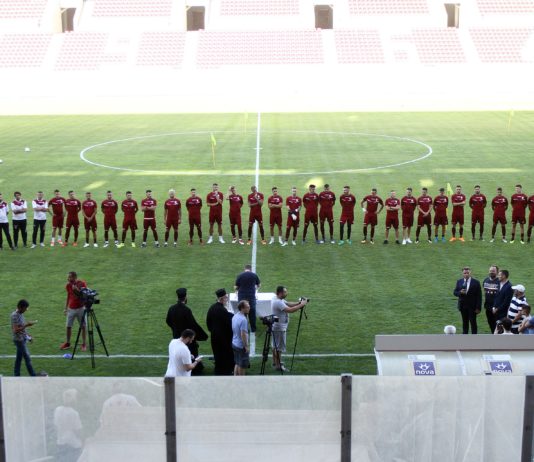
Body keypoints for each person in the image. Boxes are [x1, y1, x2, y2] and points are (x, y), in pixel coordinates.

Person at [165, 288, 208, 375]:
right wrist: (203, 336)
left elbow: (168, 321)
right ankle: (195, 369)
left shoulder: (171, 308)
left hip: (177, 336)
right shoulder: (186, 310)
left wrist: (175, 329)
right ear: (185, 297)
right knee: (192, 352)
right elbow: (193, 324)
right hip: (187, 337)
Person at [271, 286, 308, 372]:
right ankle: (278, 366)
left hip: (277, 327)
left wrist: (299, 303)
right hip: (280, 328)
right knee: (279, 348)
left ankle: (275, 362)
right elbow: (290, 310)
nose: (286, 293)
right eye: (285, 292)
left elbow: (288, 304)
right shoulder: (278, 302)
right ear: (280, 293)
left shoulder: (277, 299)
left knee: (275, 346)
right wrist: (301, 305)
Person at [206, 289, 234, 375]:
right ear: (222, 298)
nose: (227, 299)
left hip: (214, 336)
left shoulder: (212, 308)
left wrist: (212, 331)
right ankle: (225, 370)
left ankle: (218, 369)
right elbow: (229, 325)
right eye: (226, 298)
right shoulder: (223, 310)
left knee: (217, 353)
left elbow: (208, 322)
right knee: (225, 354)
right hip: (224, 337)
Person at [53, 389, 83, 462]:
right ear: (74, 400)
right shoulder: (74, 413)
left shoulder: (57, 410)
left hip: (61, 444)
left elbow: (55, 426)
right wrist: (83, 441)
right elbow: (78, 431)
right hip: (73, 445)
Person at [61, 271, 87, 351]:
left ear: (75, 277)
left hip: (81, 308)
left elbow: (84, 295)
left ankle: (84, 344)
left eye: (70, 277)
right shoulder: (68, 285)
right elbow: (68, 296)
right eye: (68, 277)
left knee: (83, 326)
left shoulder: (82, 283)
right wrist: (66, 308)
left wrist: (77, 290)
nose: (68, 279)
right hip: (71, 309)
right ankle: (68, 343)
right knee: (68, 326)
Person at [453, 267, 482, 334]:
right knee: (464, 322)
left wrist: (478, 307)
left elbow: (479, 296)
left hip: (472, 307)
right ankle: (465, 336)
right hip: (463, 306)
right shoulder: (459, 281)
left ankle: (474, 336)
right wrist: (460, 292)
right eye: (464, 273)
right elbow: (455, 292)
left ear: (470, 273)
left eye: (467, 273)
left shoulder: (476, 282)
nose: (466, 274)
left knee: (473, 322)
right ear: (462, 273)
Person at [11, 299, 36, 376]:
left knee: (19, 358)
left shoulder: (20, 313)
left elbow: (21, 327)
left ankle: (16, 375)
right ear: (20, 307)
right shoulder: (14, 316)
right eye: (25, 308)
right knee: (27, 358)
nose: (26, 310)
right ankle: (33, 376)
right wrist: (27, 325)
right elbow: (15, 330)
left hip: (22, 339)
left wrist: (28, 336)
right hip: (19, 340)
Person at [235, 264, 261, 334]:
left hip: (242, 296)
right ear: (251, 269)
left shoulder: (240, 275)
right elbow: (259, 285)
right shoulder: (254, 275)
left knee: (243, 313)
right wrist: (254, 288)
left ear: (245, 269)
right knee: (252, 312)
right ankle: (253, 329)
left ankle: (244, 328)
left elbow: (236, 287)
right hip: (251, 296)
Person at [232, 300, 250, 376]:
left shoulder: (235, 316)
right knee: (242, 366)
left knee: (237, 363)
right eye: (247, 307)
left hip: (234, 343)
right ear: (242, 308)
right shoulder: (243, 319)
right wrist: (246, 346)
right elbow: (243, 334)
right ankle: (242, 381)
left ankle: (235, 378)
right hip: (241, 346)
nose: (249, 308)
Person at [483, 265, 500, 334]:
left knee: (498, 324)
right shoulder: (485, 280)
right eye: (490, 271)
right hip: (488, 307)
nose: (491, 272)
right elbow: (485, 291)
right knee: (490, 323)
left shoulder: (499, 282)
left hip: (496, 308)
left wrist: (497, 307)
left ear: (497, 272)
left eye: (493, 271)